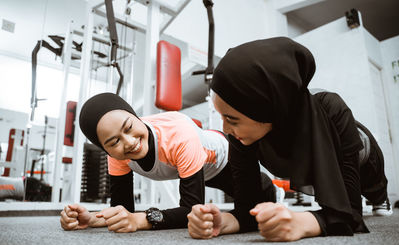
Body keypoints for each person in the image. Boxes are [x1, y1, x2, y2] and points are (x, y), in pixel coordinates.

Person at [186, 37, 392, 242]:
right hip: (311, 151)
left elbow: (350, 212)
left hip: (363, 157)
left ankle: (380, 197)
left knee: (378, 202)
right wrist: (223, 221)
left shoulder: (333, 109)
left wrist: (301, 223)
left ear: (267, 108)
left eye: (232, 119)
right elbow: (246, 206)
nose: (225, 129)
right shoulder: (240, 134)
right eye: (222, 117)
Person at [59, 93, 281, 232]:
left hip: (226, 158)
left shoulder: (178, 134)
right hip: (196, 166)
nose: (129, 143)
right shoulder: (116, 155)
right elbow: (123, 210)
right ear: (105, 148)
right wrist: (91, 219)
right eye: (114, 141)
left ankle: (275, 191)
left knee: (256, 209)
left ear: (136, 116)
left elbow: (190, 210)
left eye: (128, 127)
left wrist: (143, 220)